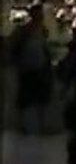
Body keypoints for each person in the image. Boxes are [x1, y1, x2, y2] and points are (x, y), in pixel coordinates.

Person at [10, 7, 53, 135]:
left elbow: (45, 47)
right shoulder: (24, 30)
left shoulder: (43, 30)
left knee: (42, 97)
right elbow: (14, 45)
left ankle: (41, 125)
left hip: (40, 67)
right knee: (25, 98)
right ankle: (22, 125)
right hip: (27, 67)